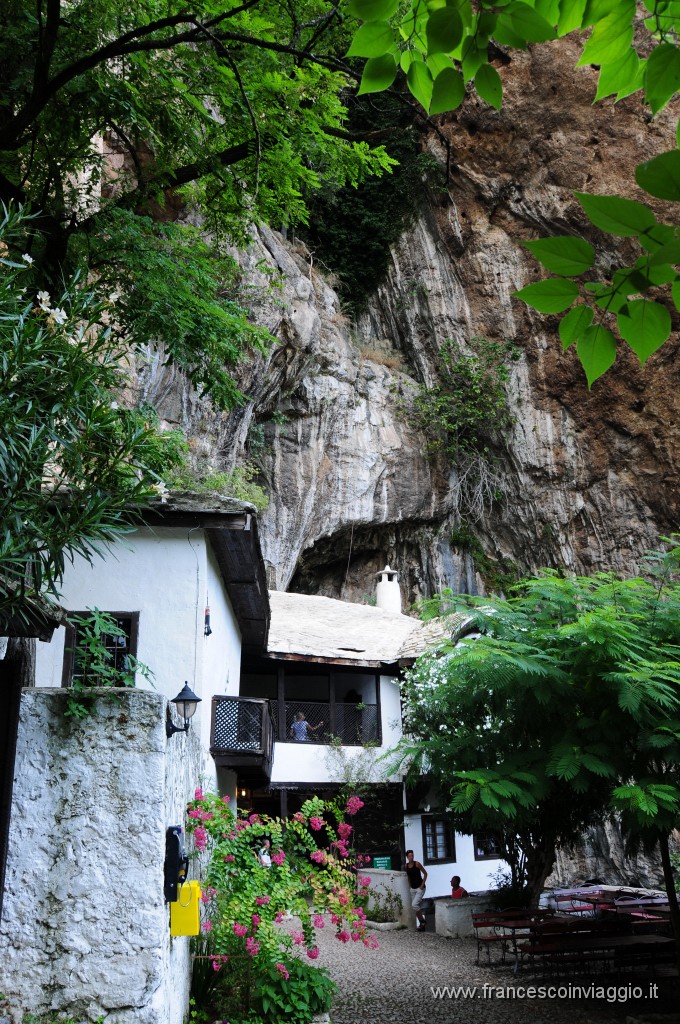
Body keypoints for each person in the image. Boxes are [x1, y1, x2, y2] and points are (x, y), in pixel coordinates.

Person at [405, 849, 428, 931]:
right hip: (413, 888)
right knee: (415, 907)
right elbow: (408, 876)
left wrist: (422, 885)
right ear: (407, 857)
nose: (411, 857)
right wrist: (410, 886)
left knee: (414, 905)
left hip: (420, 888)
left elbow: (425, 873)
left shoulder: (417, 864)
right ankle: (422, 924)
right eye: (410, 856)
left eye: (412, 855)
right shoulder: (406, 866)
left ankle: (422, 921)